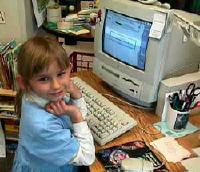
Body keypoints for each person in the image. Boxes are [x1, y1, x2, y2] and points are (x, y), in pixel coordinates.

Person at [12, 36, 95, 172]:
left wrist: (75, 93)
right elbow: (87, 157)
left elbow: (81, 118)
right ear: (24, 82)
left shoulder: (36, 93)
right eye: (44, 79)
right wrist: (75, 114)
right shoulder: (41, 126)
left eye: (61, 74)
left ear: (70, 69)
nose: (56, 86)